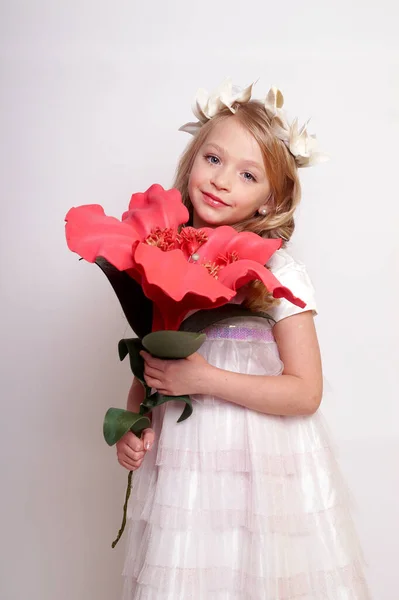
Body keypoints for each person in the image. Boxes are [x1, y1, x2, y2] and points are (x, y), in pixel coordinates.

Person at [116, 80, 371, 599]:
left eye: (247, 174)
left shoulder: (278, 273)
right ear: (192, 160)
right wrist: (134, 422)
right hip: (188, 473)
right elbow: (153, 359)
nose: (221, 180)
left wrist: (207, 378)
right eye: (213, 158)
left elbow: (305, 392)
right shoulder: (164, 255)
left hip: (262, 475)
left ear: (269, 199)